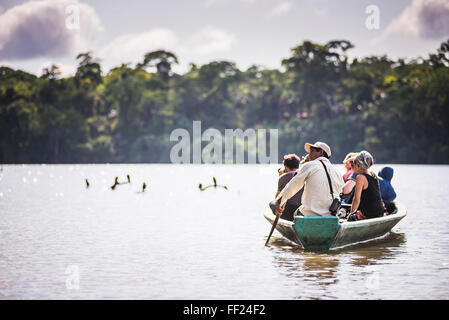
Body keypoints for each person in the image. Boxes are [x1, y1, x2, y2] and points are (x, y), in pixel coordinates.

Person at [272, 141, 344, 217]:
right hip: (332, 215)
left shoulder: (310, 165)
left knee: (296, 214)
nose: (309, 154)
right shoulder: (337, 172)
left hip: (311, 214)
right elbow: (341, 192)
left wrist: (278, 201)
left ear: (321, 152)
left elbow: (293, 186)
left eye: (312, 151)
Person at [348, 151, 386, 221]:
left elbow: (356, 199)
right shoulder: (372, 174)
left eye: (354, 163)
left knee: (351, 216)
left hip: (371, 214)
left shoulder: (360, 177)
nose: (353, 166)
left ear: (358, 165)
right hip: (380, 211)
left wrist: (351, 215)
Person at [275, 154, 304, 221]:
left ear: (286, 167)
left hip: (288, 212)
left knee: (272, 204)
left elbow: (277, 198)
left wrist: (280, 177)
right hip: (301, 209)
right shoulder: (303, 175)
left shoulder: (283, 178)